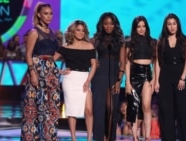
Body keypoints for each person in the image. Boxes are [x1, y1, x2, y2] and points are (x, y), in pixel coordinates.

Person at [20, 2, 67, 140]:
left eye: (51, 13)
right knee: (35, 106)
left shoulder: (51, 32)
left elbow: (52, 56)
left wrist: (58, 70)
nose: (49, 16)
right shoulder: (34, 32)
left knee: (51, 107)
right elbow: (28, 54)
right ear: (39, 15)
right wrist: (33, 73)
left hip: (51, 73)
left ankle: (49, 136)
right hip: (38, 70)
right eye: (45, 13)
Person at [53, 20, 97, 141]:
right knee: (71, 110)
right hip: (70, 79)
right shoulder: (65, 47)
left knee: (88, 110)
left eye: (83, 30)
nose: (81, 32)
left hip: (84, 78)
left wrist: (88, 81)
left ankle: (89, 138)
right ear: (73, 31)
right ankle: (73, 138)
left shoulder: (89, 46)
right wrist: (60, 71)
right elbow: (50, 61)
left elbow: (93, 65)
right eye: (78, 30)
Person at [154, 13, 186, 141]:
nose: (172, 26)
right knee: (166, 112)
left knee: (182, 111)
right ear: (166, 26)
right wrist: (157, 81)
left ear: (178, 25)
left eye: (174, 24)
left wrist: (182, 78)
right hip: (165, 77)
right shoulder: (161, 42)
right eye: (169, 24)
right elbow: (158, 63)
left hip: (180, 77)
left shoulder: (184, 40)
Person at [91, 12, 126, 141]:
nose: (108, 26)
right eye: (106, 23)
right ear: (102, 25)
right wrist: (93, 62)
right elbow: (89, 55)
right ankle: (99, 138)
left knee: (111, 108)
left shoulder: (120, 41)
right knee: (99, 108)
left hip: (114, 74)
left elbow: (123, 62)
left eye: (111, 23)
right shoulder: (96, 40)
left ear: (115, 24)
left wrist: (118, 81)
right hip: (99, 75)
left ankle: (110, 137)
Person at [125, 15, 156, 141]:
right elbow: (127, 63)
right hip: (134, 75)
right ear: (135, 28)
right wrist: (127, 82)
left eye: (143, 26)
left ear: (147, 27)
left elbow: (156, 62)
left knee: (146, 106)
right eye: (139, 26)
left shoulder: (152, 42)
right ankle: (135, 137)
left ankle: (147, 137)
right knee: (134, 106)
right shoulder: (130, 43)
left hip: (147, 74)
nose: (141, 29)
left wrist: (155, 79)